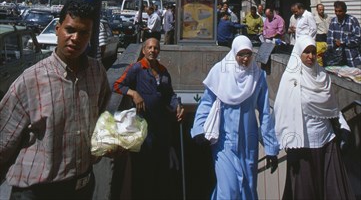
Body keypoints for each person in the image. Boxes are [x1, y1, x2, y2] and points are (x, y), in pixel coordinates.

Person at [0, 0, 111, 200]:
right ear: (58, 29)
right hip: (37, 191)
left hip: (82, 187)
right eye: (70, 30)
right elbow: (3, 139)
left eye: (84, 33)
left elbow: (102, 120)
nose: (75, 38)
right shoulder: (31, 80)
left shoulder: (97, 73)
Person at [191, 36, 279, 200]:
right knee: (228, 189)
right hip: (224, 141)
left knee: (247, 188)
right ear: (234, 54)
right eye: (241, 54)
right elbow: (206, 103)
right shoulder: (220, 71)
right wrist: (199, 129)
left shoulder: (257, 77)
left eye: (248, 54)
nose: (245, 59)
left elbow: (265, 113)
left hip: (248, 142)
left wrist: (271, 148)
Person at [274, 35, 355, 200]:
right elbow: (282, 111)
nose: (310, 56)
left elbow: (332, 108)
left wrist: (343, 126)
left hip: (327, 142)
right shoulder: (291, 79)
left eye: (313, 52)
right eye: (306, 52)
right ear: (298, 54)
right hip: (303, 146)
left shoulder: (322, 76)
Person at [113, 38, 184, 200]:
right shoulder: (136, 69)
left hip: (162, 129)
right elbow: (117, 85)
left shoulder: (163, 70)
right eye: (150, 48)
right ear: (144, 50)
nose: (153, 50)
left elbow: (169, 94)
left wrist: (177, 105)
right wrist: (133, 93)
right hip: (144, 130)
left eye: (156, 48)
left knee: (161, 170)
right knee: (143, 170)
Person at [327, 1, 361, 67]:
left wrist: (343, 42)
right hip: (337, 59)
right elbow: (329, 38)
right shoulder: (333, 21)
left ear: (345, 11)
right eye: (336, 11)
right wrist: (333, 45)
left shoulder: (352, 20)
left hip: (352, 58)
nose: (337, 13)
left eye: (340, 11)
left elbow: (358, 38)